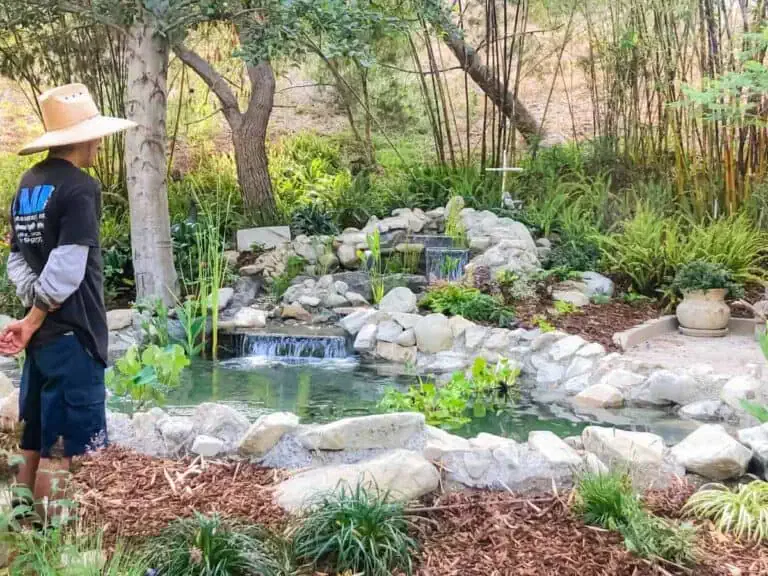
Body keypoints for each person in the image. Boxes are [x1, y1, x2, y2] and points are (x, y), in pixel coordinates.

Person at [0, 83, 135, 520]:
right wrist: (36, 318)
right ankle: (51, 543)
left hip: (42, 343)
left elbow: (16, 260)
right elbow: (66, 268)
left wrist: (29, 316)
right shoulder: (80, 188)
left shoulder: (28, 184)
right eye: (94, 134)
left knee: (33, 442)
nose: (98, 142)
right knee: (60, 450)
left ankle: (19, 533)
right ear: (80, 138)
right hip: (73, 335)